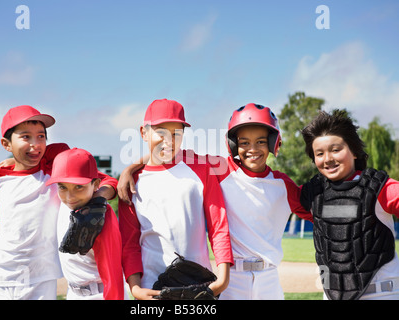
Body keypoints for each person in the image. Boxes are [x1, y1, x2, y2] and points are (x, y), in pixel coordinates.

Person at [118, 103, 313, 300]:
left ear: (273, 142)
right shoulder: (219, 168)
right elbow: (164, 155)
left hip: (268, 278)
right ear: (234, 144)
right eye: (244, 142)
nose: (252, 149)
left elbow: (318, 212)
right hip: (232, 278)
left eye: (261, 142)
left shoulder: (283, 185)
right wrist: (130, 168)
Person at [0, 105, 117, 300]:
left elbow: (109, 182)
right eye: (25, 137)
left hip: (42, 281)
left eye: (41, 136)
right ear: (6, 143)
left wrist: (97, 198)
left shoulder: (57, 171)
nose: (35, 144)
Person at [118, 98, 233, 300]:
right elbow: (130, 243)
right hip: (151, 288)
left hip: (200, 287)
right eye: (160, 132)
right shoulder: (131, 183)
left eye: (176, 134)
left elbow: (219, 227)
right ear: (144, 133)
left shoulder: (202, 169)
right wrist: (135, 288)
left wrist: (222, 280)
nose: (169, 141)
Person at [300, 109, 399, 300]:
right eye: (319, 153)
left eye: (336, 150)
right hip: (331, 295)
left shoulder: (381, 188)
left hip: (383, 294)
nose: (328, 159)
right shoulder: (312, 195)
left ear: (354, 151)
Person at [46, 148, 125, 300]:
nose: (70, 196)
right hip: (73, 293)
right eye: (62, 187)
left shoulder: (100, 215)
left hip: (100, 294)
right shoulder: (66, 204)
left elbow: (112, 272)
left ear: (95, 185)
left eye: (79, 186)